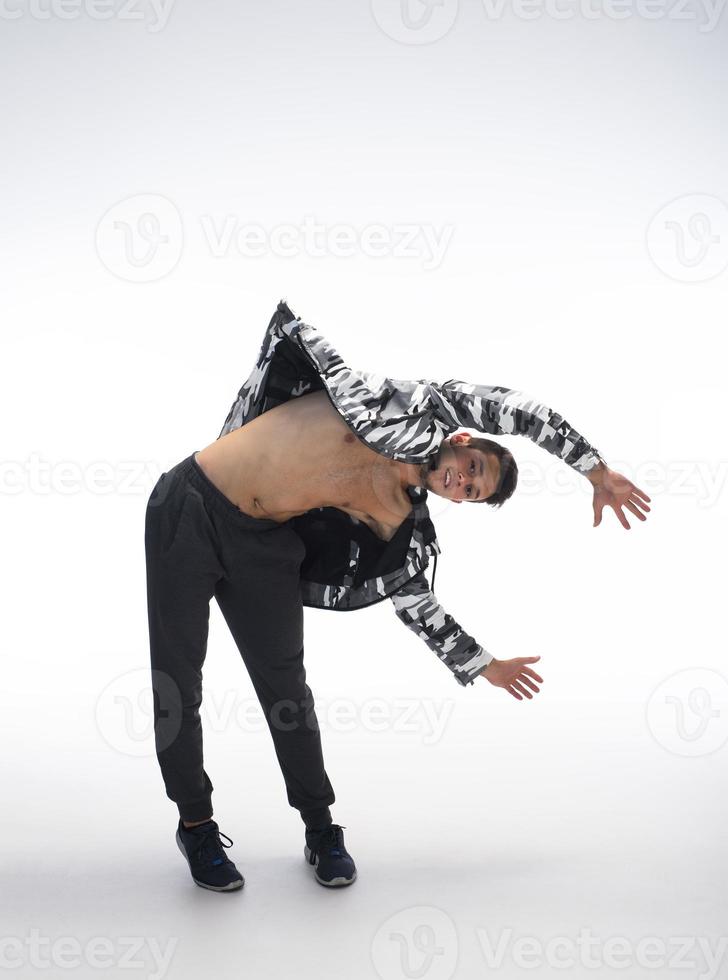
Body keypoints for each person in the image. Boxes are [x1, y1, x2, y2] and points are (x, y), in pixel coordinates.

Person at [144, 300, 651, 893]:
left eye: (470, 490)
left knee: (287, 692)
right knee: (178, 682)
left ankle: (319, 827)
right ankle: (197, 825)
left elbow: (416, 603)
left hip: (265, 547)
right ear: (463, 440)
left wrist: (483, 665)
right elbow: (520, 411)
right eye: (470, 466)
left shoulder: (398, 522)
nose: (461, 481)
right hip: (189, 506)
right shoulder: (416, 405)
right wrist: (593, 469)